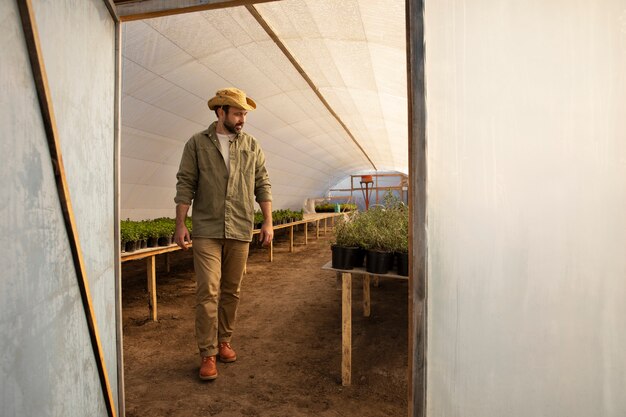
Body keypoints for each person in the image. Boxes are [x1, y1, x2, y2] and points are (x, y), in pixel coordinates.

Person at [174, 87, 273, 381]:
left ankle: (224, 341)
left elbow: (262, 183)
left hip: (240, 226)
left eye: (244, 113)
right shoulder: (197, 144)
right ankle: (207, 354)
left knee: (232, 290)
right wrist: (180, 223)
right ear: (221, 112)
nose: (243, 118)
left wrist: (267, 221)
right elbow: (185, 184)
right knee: (208, 291)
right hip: (206, 229)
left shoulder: (252, 145)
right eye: (238, 113)